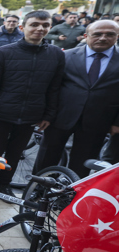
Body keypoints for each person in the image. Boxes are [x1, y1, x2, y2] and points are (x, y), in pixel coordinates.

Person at [0, 11, 64, 193]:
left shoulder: (56, 54)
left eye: (45, 25)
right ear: (23, 27)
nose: (40, 29)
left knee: (15, 153)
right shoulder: (4, 53)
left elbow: (54, 88)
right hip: (1, 113)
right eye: (34, 24)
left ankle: (3, 185)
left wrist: (49, 114)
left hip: (31, 114)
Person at [35, 20, 119, 177]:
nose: (102, 38)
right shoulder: (66, 56)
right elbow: (52, 88)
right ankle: (39, 191)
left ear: (117, 36)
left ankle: (72, 196)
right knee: (48, 156)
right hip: (60, 116)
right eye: (97, 34)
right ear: (86, 36)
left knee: (83, 162)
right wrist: (45, 114)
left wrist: (117, 123)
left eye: (109, 34)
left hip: (99, 120)